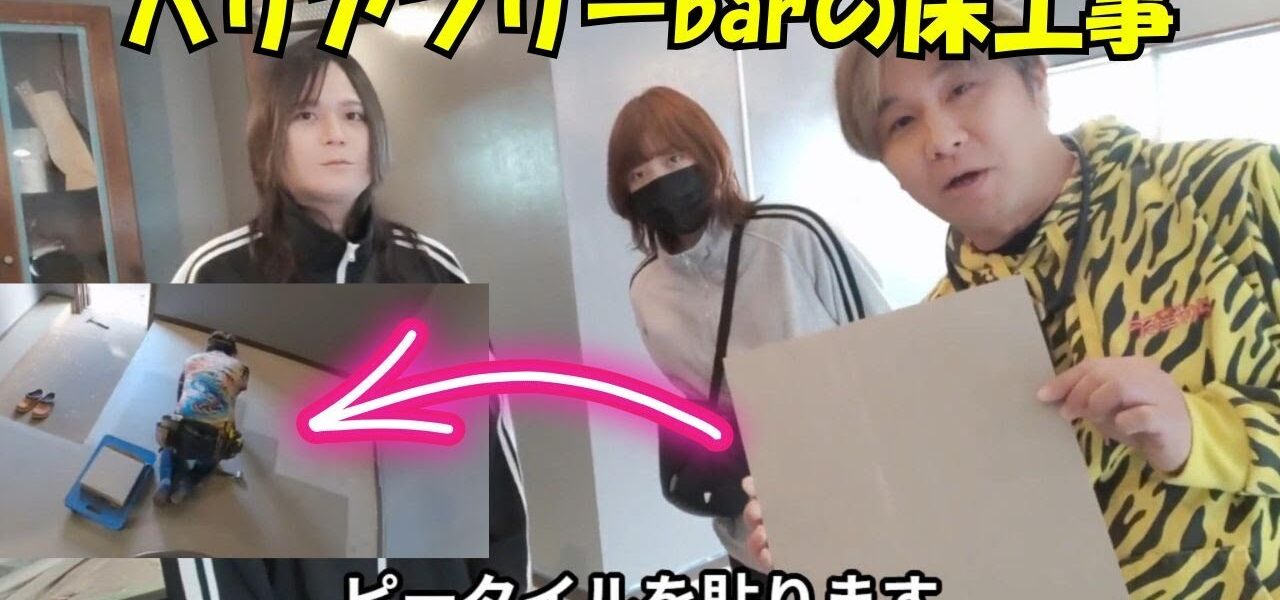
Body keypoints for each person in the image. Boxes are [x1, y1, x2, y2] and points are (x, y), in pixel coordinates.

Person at [743, 2, 1280, 596]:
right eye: (900, 123)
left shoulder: (1234, 189)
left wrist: (1199, 431)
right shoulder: (930, 340)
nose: (941, 139)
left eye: (962, 87)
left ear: (1036, 79)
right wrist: (830, 545)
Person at [163, 38, 530, 597]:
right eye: (307, 115)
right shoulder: (215, 279)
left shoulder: (432, 271)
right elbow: (199, 499)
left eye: (353, 115)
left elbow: (493, 461)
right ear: (269, 136)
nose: (336, 134)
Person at [608, 86, 890, 579]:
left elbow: (887, 354)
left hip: (854, 509)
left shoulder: (794, 238)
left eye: (673, 158)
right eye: (639, 174)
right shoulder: (647, 289)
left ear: (708, 153)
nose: (660, 181)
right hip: (749, 531)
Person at [154, 331, 248, 505]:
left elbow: (180, 393)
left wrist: (180, 418)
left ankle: (165, 482)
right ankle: (188, 484)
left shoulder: (192, 360)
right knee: (212, 460)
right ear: (232, 352)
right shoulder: (240, 368)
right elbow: (232, 399)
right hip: (214, 437)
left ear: (208, 347)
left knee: (168, 448)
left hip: (184, 427)